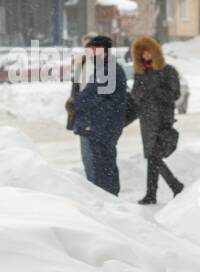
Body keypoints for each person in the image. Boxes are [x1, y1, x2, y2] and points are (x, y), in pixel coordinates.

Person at [70, 34, 129, 195]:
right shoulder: (104, 68)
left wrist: (75, 104)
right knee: (101, 165)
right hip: (100, 126)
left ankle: (108, 200)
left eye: (93, 49)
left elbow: (95, 95)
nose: (90, 53)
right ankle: (107, 198)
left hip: (103, 127)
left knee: (102, 166)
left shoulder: (109, 70)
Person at [130, 35, 184, 205]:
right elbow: (135, 94)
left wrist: (155, 91)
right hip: (146, 121)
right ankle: (153, 193)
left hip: (163, 119)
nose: (145, 56)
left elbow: (174, 94)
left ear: (155, 52)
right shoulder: (140, 73)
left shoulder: (168, 71)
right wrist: (140, 94)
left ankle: (174, 185)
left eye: (148, 52)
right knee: (151, 156)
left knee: (154, 156)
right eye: (142, 53)